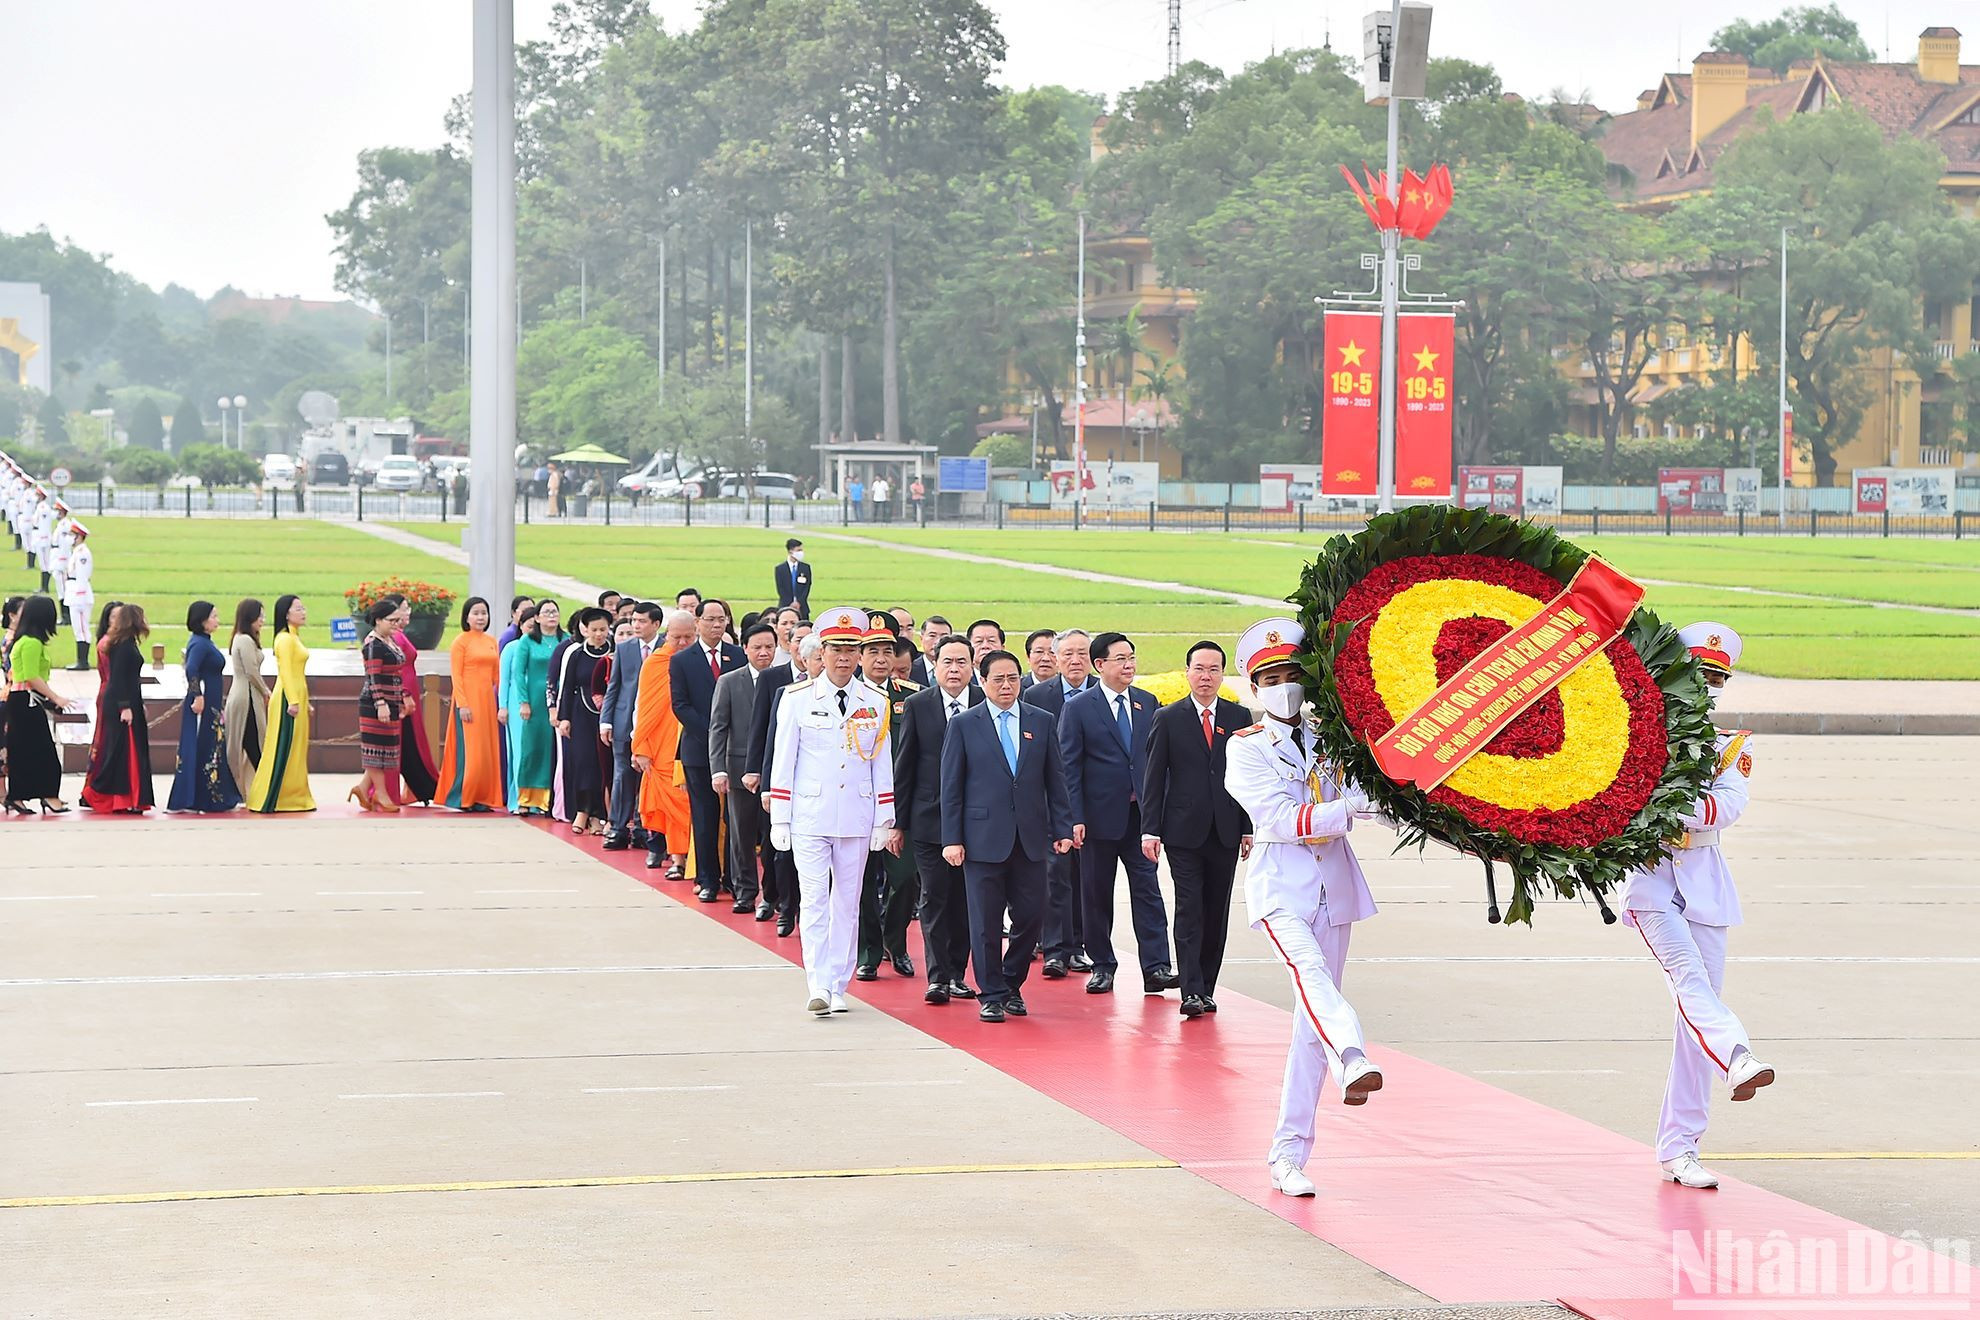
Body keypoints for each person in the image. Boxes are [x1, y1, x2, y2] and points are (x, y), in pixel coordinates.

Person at [1223, 617, 1384, 1200]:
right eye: (1271, 679)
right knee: (1312, 977)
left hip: (1333, 889)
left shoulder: (1332, 737)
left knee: (1309, 1021)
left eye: (1292, 675)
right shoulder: (1245, 748)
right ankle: (1352, 1055)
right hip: (1280, 890)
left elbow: (1374, 799)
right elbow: (1279, 820)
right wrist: (1351, 810)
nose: (1284, 686)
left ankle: (1288, 1155)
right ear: (1254, 687)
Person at [1623, 623, 1773, 1191]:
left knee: (1694, 1017)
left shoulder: (1732, 744)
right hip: (1652, 882)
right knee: (1690, 983)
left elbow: (1727, 807)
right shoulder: (1639, 732)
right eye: (1698, 674)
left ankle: (1679, 1147)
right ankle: (1737, 1055)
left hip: (1706, 885)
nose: (1707, 687)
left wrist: (1667, 801)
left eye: (1716, 678)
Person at [767, 607, 895, 1017]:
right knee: (814, 901)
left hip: (856, 814)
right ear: (820, 652)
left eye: (851, 650)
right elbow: (784, 760)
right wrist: (780, 817)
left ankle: (839, 983)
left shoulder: (875, 700)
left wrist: (883, 818)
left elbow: (881, 764)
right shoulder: (797, 698)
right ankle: (818, 982)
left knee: (847, 903)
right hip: (810, 814)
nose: (843, 658)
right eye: (836, 650)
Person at [940, 649, 1074, 1023]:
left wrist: (1062, 827)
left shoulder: (1041, 721)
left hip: (1030, 837)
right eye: (997, 679)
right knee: (984, 922)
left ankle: (1012, 981)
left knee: (1032, 915)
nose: (1006, 686)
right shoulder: (964, 724)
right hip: (981, 839)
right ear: (982, 681)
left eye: (1012, 678)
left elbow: (1055, 779)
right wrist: (952, 838)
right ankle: (992, 993)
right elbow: (951, 786)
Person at [1060, 631, 1176, 994]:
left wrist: (1159, 812)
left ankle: (1156, 966)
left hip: (1140, 816)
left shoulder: (1146, 702)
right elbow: (1069, 767)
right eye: (1120, 659)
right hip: (1097, 819)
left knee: (1148, 890)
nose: (1129, 665)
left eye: (1132, 658)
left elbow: (1156, 761)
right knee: (1096, 894)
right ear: (1099, 664)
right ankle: (1102, 964)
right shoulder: (1079, 707)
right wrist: (1074, 817)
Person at [1141, 640, 1252, 1017]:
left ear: (1223, 674)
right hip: (1182, 831)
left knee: (1216, 910)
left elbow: (1248, 776)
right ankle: (1190, 990)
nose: (1206, 676)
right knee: (1189, 908)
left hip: (1226, 829)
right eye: (1199, 669)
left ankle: (1206, 987)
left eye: (1214, 669)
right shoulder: (1168, 717)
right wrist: (1150, 830)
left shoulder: (1239, 717)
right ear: (1187, 672)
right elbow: (1154, 778)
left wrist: (1247, 827)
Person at [891, 633, 982, 1004]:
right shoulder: (919, 704)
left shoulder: (985, 701)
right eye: (947, 662)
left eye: (962, 662)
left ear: (973, 666)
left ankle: (958, 973)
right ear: (935, 665)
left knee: (965, 899)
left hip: (976, 819)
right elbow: (905, 765)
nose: (954, 669)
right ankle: (938, 977)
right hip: (929, 819)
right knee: (935, 896)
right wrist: (898, 823)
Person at [1022, 628, 1098, 972]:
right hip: (1049, 799)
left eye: (1082, 653)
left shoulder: (1101, 692)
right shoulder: (1036, 695)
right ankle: (1054, 949)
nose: (1075, 660)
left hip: (1093, 800)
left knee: (1085, 877)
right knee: (1055, 874)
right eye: (1068, 654)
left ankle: (1078, 944)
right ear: (1056, 657)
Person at [856, 627, 921, 981]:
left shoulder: (911, 697)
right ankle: (868, 951)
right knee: (861, 880)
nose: (881, 660)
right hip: (858, 803)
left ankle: (895, 943)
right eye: (873, 652)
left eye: (887, 652)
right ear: (860, 656)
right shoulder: (848, 696)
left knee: (905, 877)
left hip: (899, 805)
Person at [671, 598, 745, 901]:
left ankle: (734, 878)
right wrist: (714, 733)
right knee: (704, 817)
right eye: (710, 619)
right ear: (697, 622)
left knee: (736, 818)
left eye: (721, 619)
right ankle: (708, 879)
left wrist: (729, 736)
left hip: (735, 750)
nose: (717, 625)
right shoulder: (682, 660)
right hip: (698, 749)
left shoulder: (738, 655)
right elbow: (680, 705)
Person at [748, 633, 819, 935]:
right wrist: (768, 786)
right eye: (817, 659)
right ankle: (786, 909)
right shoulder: (788, 693)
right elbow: (772, 742)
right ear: (805, 660)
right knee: (782, 853)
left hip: (824, 792)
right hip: (791, 787)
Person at [710, 621, 779, 915]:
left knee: (775, 836)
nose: (764, 653)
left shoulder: (784, 680)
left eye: (769, 647)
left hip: (776, 772)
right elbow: (718, 727)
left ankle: (774, 894)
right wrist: (718, 769)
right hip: (739, 770)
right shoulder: (729, 681)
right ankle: (745, 891)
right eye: (757, 647)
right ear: (745, 649)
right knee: (741, 835)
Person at [632, 609, 697, 874]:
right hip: (662, 743)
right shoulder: (656, 663)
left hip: (692, 737)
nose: (682, 643)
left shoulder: (700, 661)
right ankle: (677, 858)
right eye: (676, 637)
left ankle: (695, 858)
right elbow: (644, 708)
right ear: (666, 635)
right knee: (672, 803)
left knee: (693, 801)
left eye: (688, 637)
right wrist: (641, 748)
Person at [167, 601, 241, 813]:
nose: (217, 620)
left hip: (213, 704)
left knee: (212, 748)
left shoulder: (204, 642)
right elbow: (191, 669)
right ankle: (201, 798)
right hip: (205, 704)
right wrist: (198, 696)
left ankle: (211, 796)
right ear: (202, 620)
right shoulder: (199, 644)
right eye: (213, 616)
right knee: (206, 747)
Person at [245, 595, 315, 814]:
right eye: (298, 609)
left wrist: (305, 701)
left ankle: (296, 794)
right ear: (286, 614)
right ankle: (277, 797)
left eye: (303, 608)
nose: (303, 612)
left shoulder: (294, 637)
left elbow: (297, 673)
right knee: (285, 748)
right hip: (287, 697)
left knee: (297, 749)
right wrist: (293, 700)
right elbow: (285, 672)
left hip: (297, 696)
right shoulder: (284, 639)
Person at [600, 601, 661, 849]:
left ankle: (643, 828)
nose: (636, 625)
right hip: (624, 722)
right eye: (634, 620)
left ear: (656, 624)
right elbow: (614, 687)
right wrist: (606, 721)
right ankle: (618, 828)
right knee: (622, 775)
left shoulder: (666, 648)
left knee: (648, 777)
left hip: (654, 723)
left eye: (642, 621)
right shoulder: (624, 649)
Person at [83, 603, 154, 814]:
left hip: (129, 700)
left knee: (126, 750)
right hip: (122, 703)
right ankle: (120, 797)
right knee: (123, 751)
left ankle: (130, 798)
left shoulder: (125, 643)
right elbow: (119, 678)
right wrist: (125, 706)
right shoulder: (123, 646)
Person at [5, 595, 72, 814]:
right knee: (45, 752)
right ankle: (48, 795)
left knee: (22, 750)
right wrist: (56, 698)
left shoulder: (23, 641)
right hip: (27, 701)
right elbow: (32, 677)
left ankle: (18, 795)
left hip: (22, 700)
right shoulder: (31, 643)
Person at [437, 596, 505, 812]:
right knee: (471, 753)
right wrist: (463, 705)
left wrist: (503, 702)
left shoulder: (491, 641)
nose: (480, 617)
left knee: (486, 753)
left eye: (484, 613)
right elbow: (456, 676)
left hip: (487, 702)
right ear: (466, 617)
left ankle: (482, 797)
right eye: (475, 613)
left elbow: (497, 675)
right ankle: (462, 796)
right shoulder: (461, 642)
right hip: (468, 702)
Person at [554, 606, 615, 834]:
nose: (599, 634)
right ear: (586, 630)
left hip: (606, 715)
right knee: (583, 763)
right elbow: (567, 687)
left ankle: (599, 816)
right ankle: (582, 811)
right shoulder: (577, 654)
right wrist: (564, 718)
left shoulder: (615, 653)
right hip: (581, 714)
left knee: (602, 766)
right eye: (594, 630)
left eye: (603, 630)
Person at [501, 599, 562, 815]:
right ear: (537, 617)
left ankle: (549, 800)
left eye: (554, 612)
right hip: (534, 700)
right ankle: (526, 798)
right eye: (546, 612)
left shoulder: (564, 640)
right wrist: (523, 702)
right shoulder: (527, 641)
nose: (551, 616)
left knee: (553, 749)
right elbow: (518, 674)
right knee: (532, 747)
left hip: (557, 699)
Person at [351, 597, 406, 814]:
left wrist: (402, 697)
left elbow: (396, 672)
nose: (396, 624)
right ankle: (380, 794)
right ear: (378, 620)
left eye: (397, 620)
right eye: (391, 620)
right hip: (375, 703)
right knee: (375, 750)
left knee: (386, 749)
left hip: (392, 700)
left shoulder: (389, 640)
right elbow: (372, 676)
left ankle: (363, 788)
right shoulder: (373, 644)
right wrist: (381, 703)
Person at [390, 599, 441, 806]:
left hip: (409, 692)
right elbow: (395, 668)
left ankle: (418, 788)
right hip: (403, 695)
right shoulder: (393, 637)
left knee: (412, 741)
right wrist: (404, 694)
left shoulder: (399, 635)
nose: (408, 612)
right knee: (405, 742)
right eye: (404, 609)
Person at [63, 522, 95, 670]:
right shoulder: (77, 552)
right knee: (78, 628)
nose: (70, 538)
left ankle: (83, 661)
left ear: (79, 537)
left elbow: (82, 575)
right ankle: (80, 660)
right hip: (74, 593)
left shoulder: (82, 553)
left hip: (80, 595)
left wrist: (80, 595)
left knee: (82, 629)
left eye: (73, 535)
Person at [775, 538, 813, 616]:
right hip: (785, 606)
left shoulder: (805, 568)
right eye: (798, 550)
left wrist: (799, 602)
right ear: (790, 551)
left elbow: (807, 586)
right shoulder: (780, 569)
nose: (801, 553)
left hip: (802, 607)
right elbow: (780, 589)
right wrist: (790, 604)